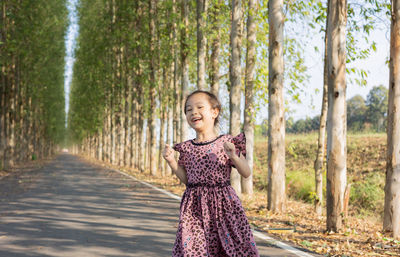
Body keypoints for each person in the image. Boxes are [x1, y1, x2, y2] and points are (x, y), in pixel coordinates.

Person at [163, 90, 259, 257]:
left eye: (200, 107)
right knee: (194, 249)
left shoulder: (226, 142)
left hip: (224, 207)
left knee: (231, 247)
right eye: (188, 109)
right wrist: (172, 162)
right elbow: (188, 180)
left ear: (214, 112)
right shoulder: (186, 148)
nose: (193, 112)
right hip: (194, 208)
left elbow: (246, 172)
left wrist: (234, 156)